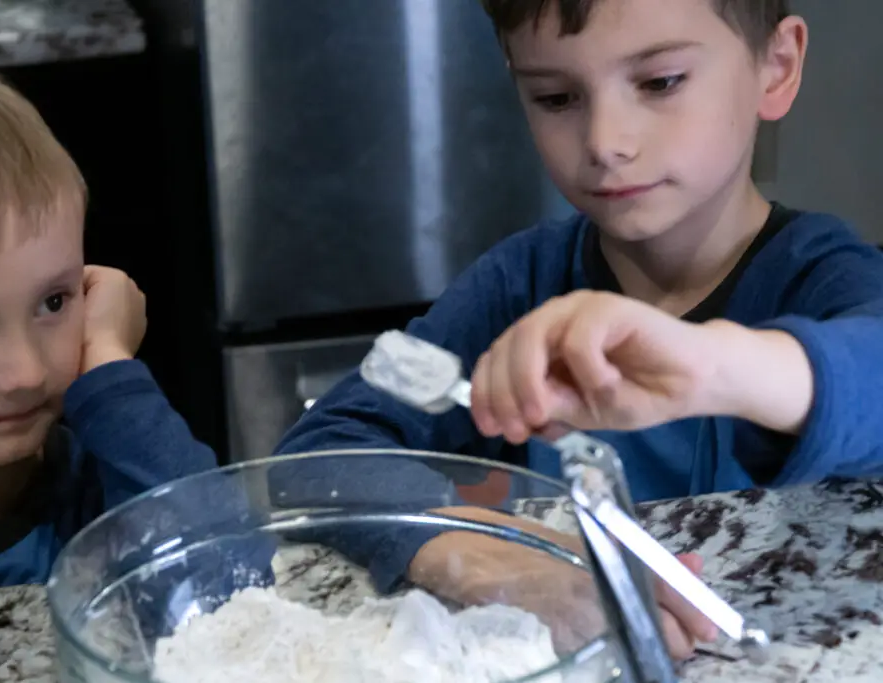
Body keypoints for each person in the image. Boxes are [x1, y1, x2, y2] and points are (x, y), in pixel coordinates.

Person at [275, 0, 883, 659]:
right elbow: (322, 453)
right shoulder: (517, 285)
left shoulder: (825, 278)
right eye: (557, 96)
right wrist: (483, 556)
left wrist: (717, 365)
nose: (604, 142)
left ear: (777, 66)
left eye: (660, 82)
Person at [0, 50, 220, 605]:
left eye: (54, 301)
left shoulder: (110, 478)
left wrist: (109, 364)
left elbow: (228, 586)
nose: (27, 373)